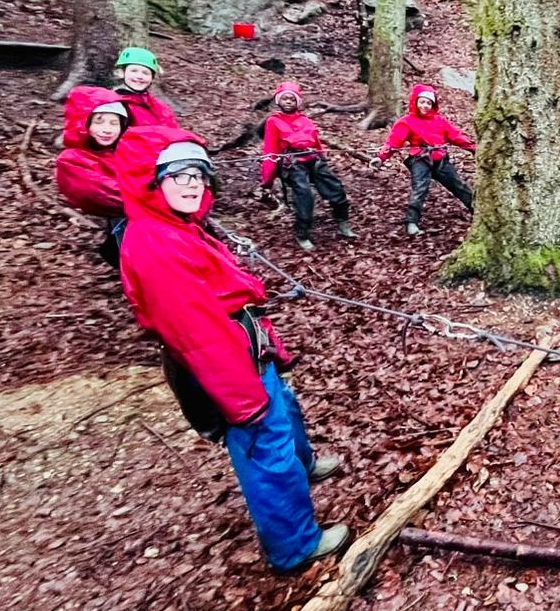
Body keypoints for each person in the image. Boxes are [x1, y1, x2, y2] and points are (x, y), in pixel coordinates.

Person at [115, 126, 348, 571]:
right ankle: (295, 546)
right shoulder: (155, 245)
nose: (191, 185)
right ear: (153, 181)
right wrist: (243, 402)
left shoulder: (178, 226)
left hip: (246, 345)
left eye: (198, 176)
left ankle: (304, 465)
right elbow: (197, 335)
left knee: (285, 414)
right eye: (178, 176)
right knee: (264, 444)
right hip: (226, 362)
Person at [259, 81, 355, 251]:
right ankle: (302, 233)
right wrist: (267, 179)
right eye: (285, 98)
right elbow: (270, 149)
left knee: (335, 188)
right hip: (292, 164)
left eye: (292, 99)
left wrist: (322, 158)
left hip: (312, 158)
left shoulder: (306, 120)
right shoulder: (273, 121)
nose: (288, 102)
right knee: (304, 196)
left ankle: (343, 223)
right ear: (278, 101)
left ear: (298, 102)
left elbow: (316, 142)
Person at [376, 84, 475, 235]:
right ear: (415, 102)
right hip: (420, 160)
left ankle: (477, 211)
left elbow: (456, 136)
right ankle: (412, 223)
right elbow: (393, 142)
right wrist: (381, 158)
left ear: (433, 105)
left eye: (429, 103)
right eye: (422, 102)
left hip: (440, 159)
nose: (425, 106)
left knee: (458, 185)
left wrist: (473, 148)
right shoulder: (406, 121)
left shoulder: (440, 120)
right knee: (420, 189)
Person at [55, 85, 130, 265]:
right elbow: (106, 195)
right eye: (99, 122)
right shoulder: (72, 159)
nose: (107, 129)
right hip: (129, 221)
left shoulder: (125, 150)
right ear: (85, 123)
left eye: (114, 123)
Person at [113, 47, 181, 129]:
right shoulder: (113, 103)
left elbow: (172, 130)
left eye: (145, 73)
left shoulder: (159, 107)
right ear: (121, 73)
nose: (139, 76)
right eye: (134, 71)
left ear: (152, 78)